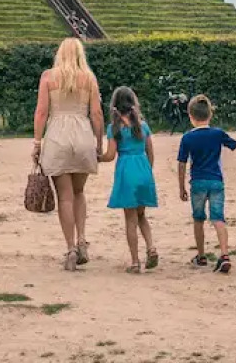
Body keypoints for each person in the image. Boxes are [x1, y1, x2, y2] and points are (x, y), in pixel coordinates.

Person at [33, 37, 106, 270]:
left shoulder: (48, 77)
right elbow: (96, 113)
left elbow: (42, 112)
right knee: (79, 192)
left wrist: (37, 142)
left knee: (64, 196)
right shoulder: (89, 78)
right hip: (83, 134)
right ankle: (82, 239)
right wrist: (98, 142)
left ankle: (70, 248)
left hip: (57, 136)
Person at [177, 94, 236, 273]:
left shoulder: (187, 138)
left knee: (198, 219)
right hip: (216, 181)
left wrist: (181, 187)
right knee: (218, 218)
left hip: (197, 182)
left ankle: (201, 255)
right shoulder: (217, 134)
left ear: (190, 116)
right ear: (210, 115)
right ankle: (224, 254)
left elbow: (182, 163)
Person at [99, 86, 158, 273]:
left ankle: (134, 261)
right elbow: (150, 151)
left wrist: (97, 156)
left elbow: (110, 155)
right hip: (143, 169)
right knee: (141, 215)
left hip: (126, 170)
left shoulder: (114, 129)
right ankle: (151, 247)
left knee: (130, 219)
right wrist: (148, 171)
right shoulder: (143, 126)